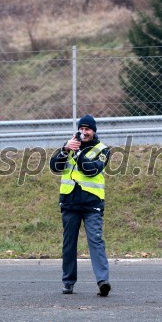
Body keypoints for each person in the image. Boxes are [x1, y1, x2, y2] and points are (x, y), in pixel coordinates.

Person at [49, 114, 112, 297]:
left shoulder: (103, 149)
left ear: (94, 131)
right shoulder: (69, 146)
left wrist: (76, 153)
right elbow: (54, 167)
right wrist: (63, 150)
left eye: (88, 129)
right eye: (82, 129)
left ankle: (103, 282)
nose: (84, 133)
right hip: (70, 203)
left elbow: (91, 170)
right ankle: (68, 282)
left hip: (92, 204)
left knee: (96, 241)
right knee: (69, 245)